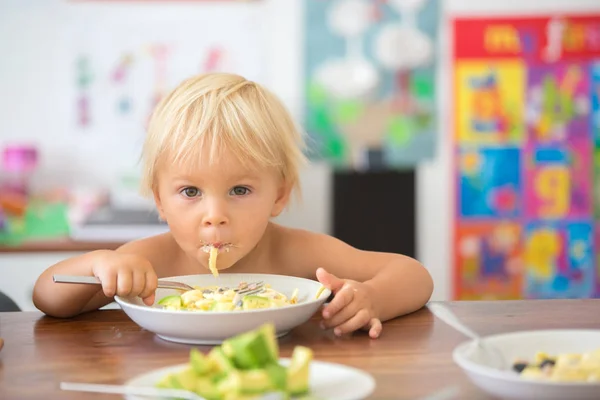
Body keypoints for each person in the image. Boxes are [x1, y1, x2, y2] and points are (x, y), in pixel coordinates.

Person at [32, 73, 433, 338]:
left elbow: (412, 275)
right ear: (159, 199)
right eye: (190, 192)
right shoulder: (148, 261)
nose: (214, 215)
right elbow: (46, 297)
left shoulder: (299, 252)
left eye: (239, 190)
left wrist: (373, 298)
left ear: (278, 195)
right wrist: (98, 264)